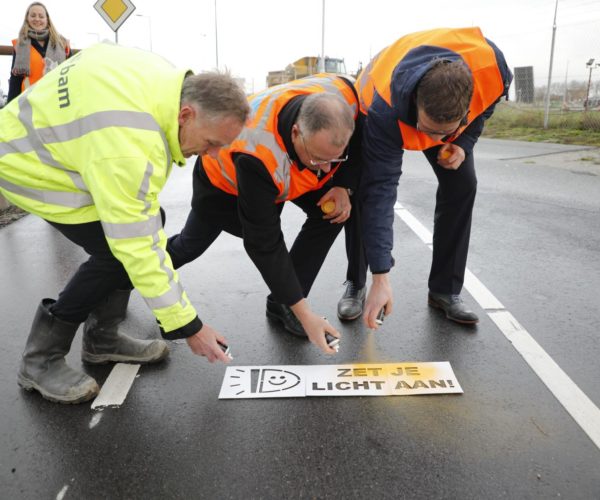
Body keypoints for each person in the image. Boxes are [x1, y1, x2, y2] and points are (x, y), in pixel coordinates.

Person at [0, 42, 249, 404]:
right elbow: (135, 244)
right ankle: (40, 360)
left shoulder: (162, 79)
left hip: (53, 144)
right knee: (116, 251)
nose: (211, 155)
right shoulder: (132, 143)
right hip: (30, 165)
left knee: (152, 221)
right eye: (211, 143)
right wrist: (189, 327)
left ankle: (103, 338)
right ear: (185, 115)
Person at [167, 74, 361, 351]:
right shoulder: (256, 151)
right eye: (318, 158)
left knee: (333, 213)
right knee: (189, 246)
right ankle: (124, 273)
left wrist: (343, 185)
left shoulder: (346, 102)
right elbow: (265, 242)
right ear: (296, 133)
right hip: (224, 186)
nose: (326, 169)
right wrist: (308, 315)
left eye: (334, 159)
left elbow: (363, 147)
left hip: (286, 173)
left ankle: (285, 306)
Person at [338, 27, 512, 327]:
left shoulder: (493, 69)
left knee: (463, 185)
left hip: (447, 117)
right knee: (365, 189)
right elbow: (382, 192)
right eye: (429, 130)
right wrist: (382, 276)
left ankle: (445, 290)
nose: (432, 140)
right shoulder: (384, 109)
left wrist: (462, 142)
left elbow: (488, 106)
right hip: (376, 104)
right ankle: (357, 281)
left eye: (442, 133)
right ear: (416, 100)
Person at [8, 2, 70, 103]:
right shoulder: (20, 45)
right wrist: (9, 107)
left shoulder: (63, 44)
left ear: (47, 20)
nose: (37, 19)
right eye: (33, 15)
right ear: (27, 19)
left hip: (58, 101)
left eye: (41, 16)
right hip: (30, 104)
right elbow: (15, 80)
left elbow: (71, 74)